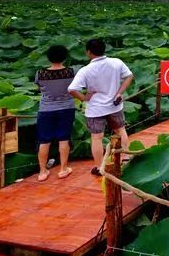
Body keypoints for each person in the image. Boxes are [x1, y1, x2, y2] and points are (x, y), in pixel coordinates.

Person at [67, 39, 133, 176]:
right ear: (104, 49)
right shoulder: (116, 62)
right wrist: (119, 92)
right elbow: (129, 76)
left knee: (96, 138)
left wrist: (84, 98)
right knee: (120, 130)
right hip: (115, 105)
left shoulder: (85, 70)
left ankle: (99, 167)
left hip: (95, 109)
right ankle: (126, 158)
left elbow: (72, 89)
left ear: (88, 52)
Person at [34, 45, 75, 181]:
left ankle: (42, 171)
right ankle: (63, 169)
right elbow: (73, 87)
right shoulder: (70, 72)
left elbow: (39, 87)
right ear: (64, 57)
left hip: (46, 109)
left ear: (48, 57)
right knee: (64, 138)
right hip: (66, 107)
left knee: (44, 140)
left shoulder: (40, 73)